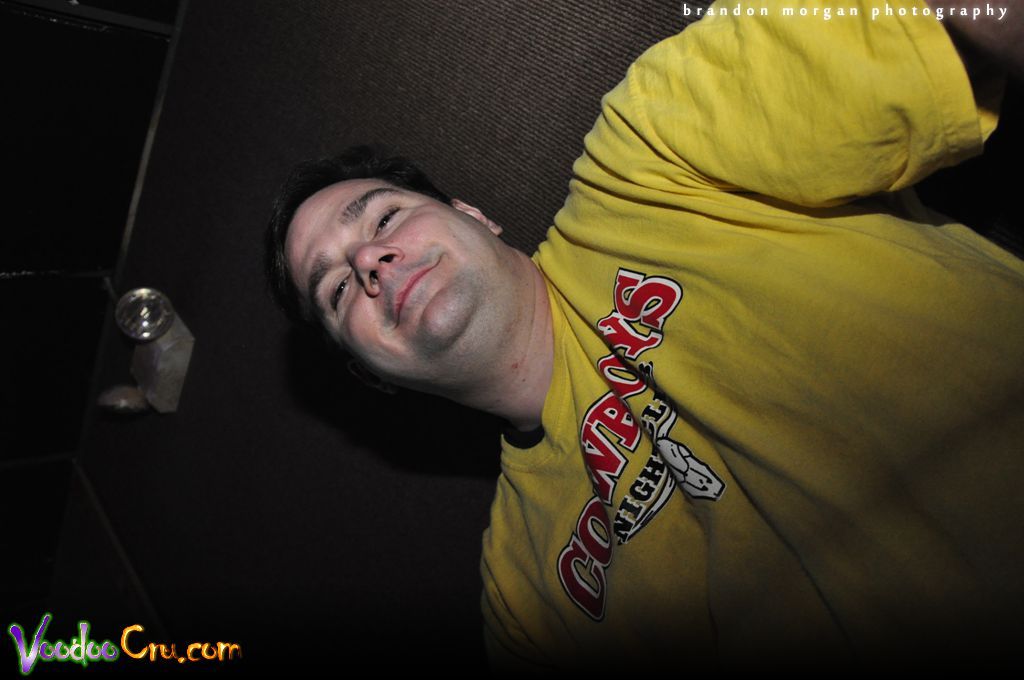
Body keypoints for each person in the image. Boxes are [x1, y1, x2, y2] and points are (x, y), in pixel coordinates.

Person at [265, 0, 1024, 671]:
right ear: (374, 373)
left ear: (474, 215)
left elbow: (919, 21)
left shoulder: (646, 157)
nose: (369, 260)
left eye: (384, 216)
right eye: (337, 291)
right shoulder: (522, 602)